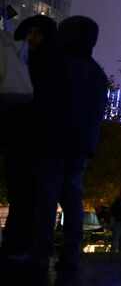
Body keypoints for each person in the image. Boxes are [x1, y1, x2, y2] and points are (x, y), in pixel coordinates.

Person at [30, 16, 108, 271]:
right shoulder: (97, 73)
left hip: (54, 139)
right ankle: (71, 252)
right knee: (72, 196)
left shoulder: (59, 64)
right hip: (81, 145)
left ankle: (40, 251)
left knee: (46, 195)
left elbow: (44, 101)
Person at [1, 15, 59, 260]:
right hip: (20, 138)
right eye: (29, 33)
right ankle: (19, 245)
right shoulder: (21, 61)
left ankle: (22, 245)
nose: (32, 39)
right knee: (21, 193)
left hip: (33, 140)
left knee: (27, 194)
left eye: (37, 34)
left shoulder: (46, 65)